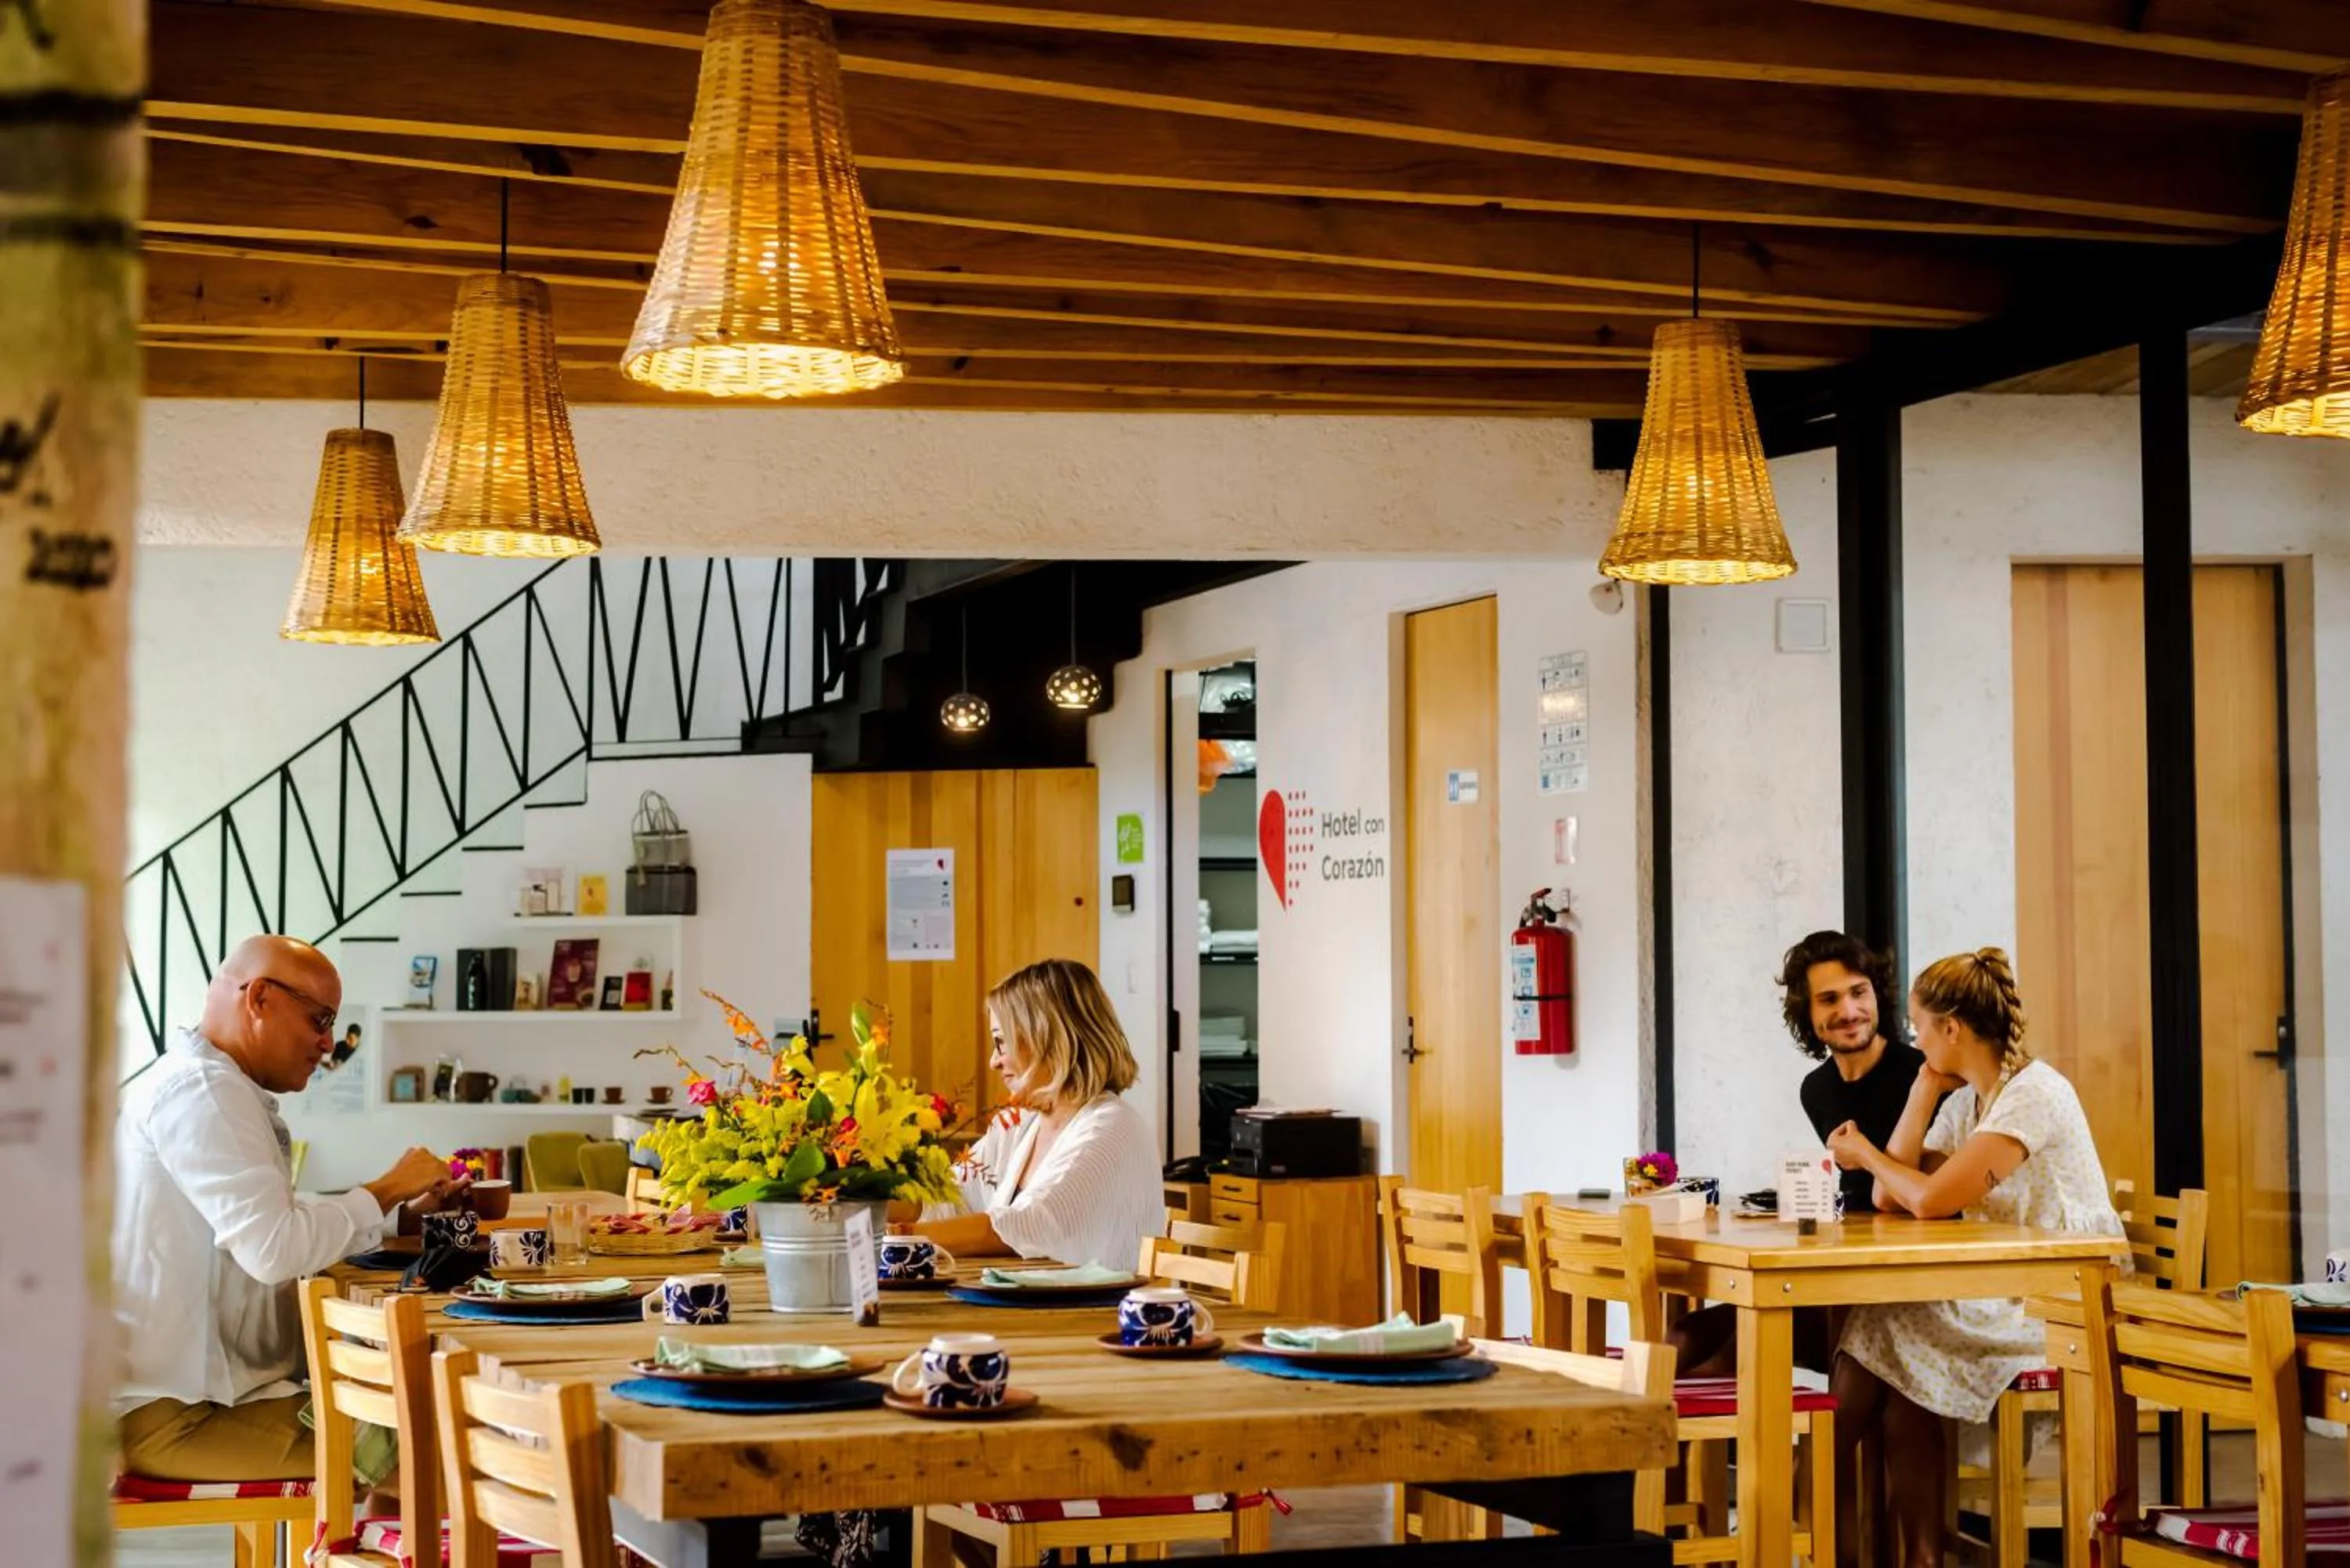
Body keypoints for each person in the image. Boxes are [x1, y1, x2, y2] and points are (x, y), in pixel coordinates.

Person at [114, 935, 465, 1481]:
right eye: (319, 1019)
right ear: (258, 999)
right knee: (446, 1435)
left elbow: (272, 1223)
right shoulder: (203, 1092)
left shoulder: (208, 1085)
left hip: (205, 1400)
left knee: (417, 1411)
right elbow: (275, 1249)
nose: (328, 1043)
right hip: (176, 1417)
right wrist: (387, 1187)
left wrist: (399, 1216)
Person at [1826, 948, 2121, 1568]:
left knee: (1892, 1331)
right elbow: (1890, 1197)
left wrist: (1866, 1154)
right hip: (2005, 1285)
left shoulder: (2033, 1094)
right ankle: (1914, 1550)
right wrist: (1925, 1085)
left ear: (1951, 1029)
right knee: (1890, 1333)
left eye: (1919, 1027)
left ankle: (1819, 1489)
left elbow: (1929, 1200)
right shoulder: (1969, 1101)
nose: (1914, 1037)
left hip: (2061, 1300)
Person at [1674, 930, 1931, 1377]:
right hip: (1841, 1264)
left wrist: (1865, 1154)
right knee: (1686, 1334)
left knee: (1729, 1354)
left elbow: (1908, 1193)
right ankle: (1649, 1432)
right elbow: (1850, 1186)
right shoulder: (1817, 1089)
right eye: (1829, 999)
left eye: (1859, 993)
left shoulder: (1921, 1075)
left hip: (1902, 1279)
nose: (1849, 1011)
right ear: (1808, 1014)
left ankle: (1688, 1442)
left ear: (1876, 995)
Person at [912, 957, 1164, 1269]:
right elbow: (943, 1196)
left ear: (1051, 1040)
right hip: (1028, 1308)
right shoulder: (1021, 1124)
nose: (994, 1061)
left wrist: (900, 1237)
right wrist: (858, 1194)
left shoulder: (1112, 1128)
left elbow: (1023, 1227)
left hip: (1095, 1314)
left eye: (1001, 1042)